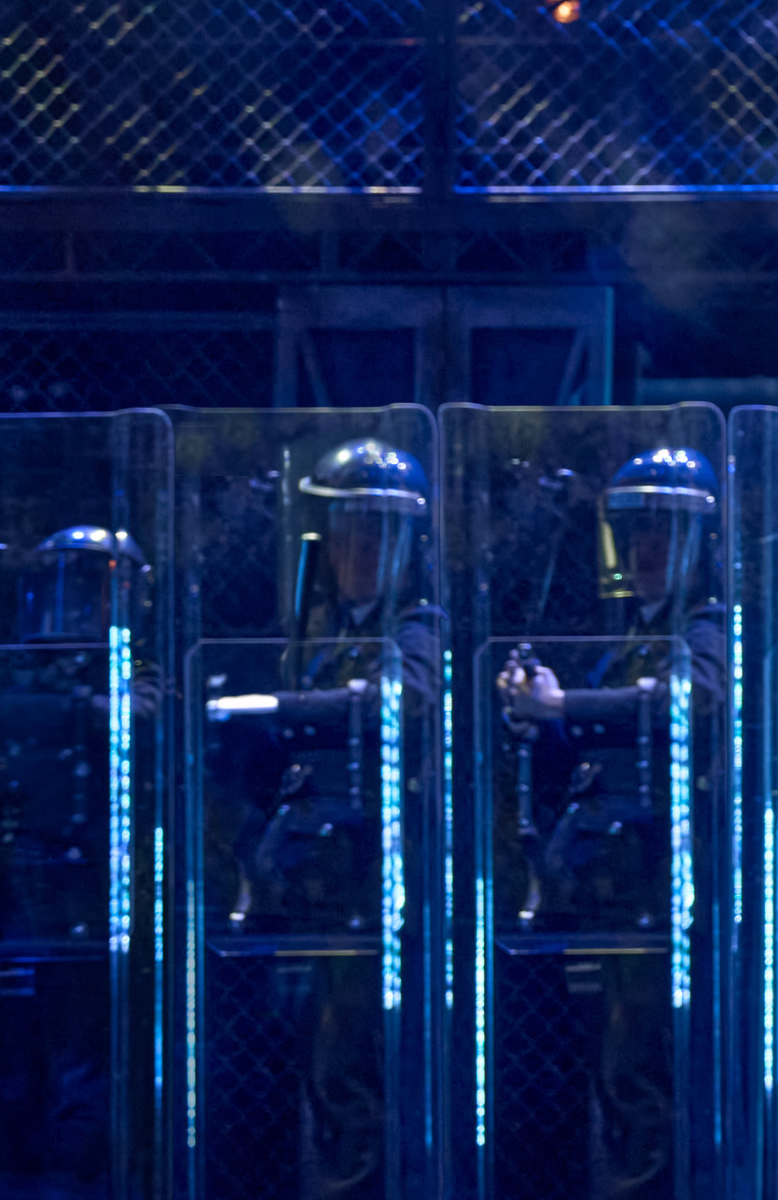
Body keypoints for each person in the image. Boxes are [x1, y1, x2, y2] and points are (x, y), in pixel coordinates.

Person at [204, 437, 445, 1200]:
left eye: (375, 532)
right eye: (346, 531)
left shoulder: (417, 629)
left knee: (350, 1061)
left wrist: (274, 705)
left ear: (406, 543)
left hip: (375, 886)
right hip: (310, 886)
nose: (356, 550)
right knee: (305, 1060)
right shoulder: (328, 632)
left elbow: (401, 701)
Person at [493, 446, 728, 1200]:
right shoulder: (633, 639)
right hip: (607, 890)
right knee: (611, 1071)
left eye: (664, 530)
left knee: (640, 1071)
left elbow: (693, 701)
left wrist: (564, 705)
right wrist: (537, 716)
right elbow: (590, 753)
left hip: (661, 891)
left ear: (700, 541)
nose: (645, 549)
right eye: (635, 531)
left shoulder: (708, 632)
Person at [0, 526, 155, 1195]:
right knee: (25, 1036)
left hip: (95, 882)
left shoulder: (137, 666)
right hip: (23, 873)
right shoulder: (28, 666)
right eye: (72, 582)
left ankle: (76, 1169)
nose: (82, 602)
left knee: (84, 1037)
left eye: (98, 586)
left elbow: (139, 713)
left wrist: (74, 709)